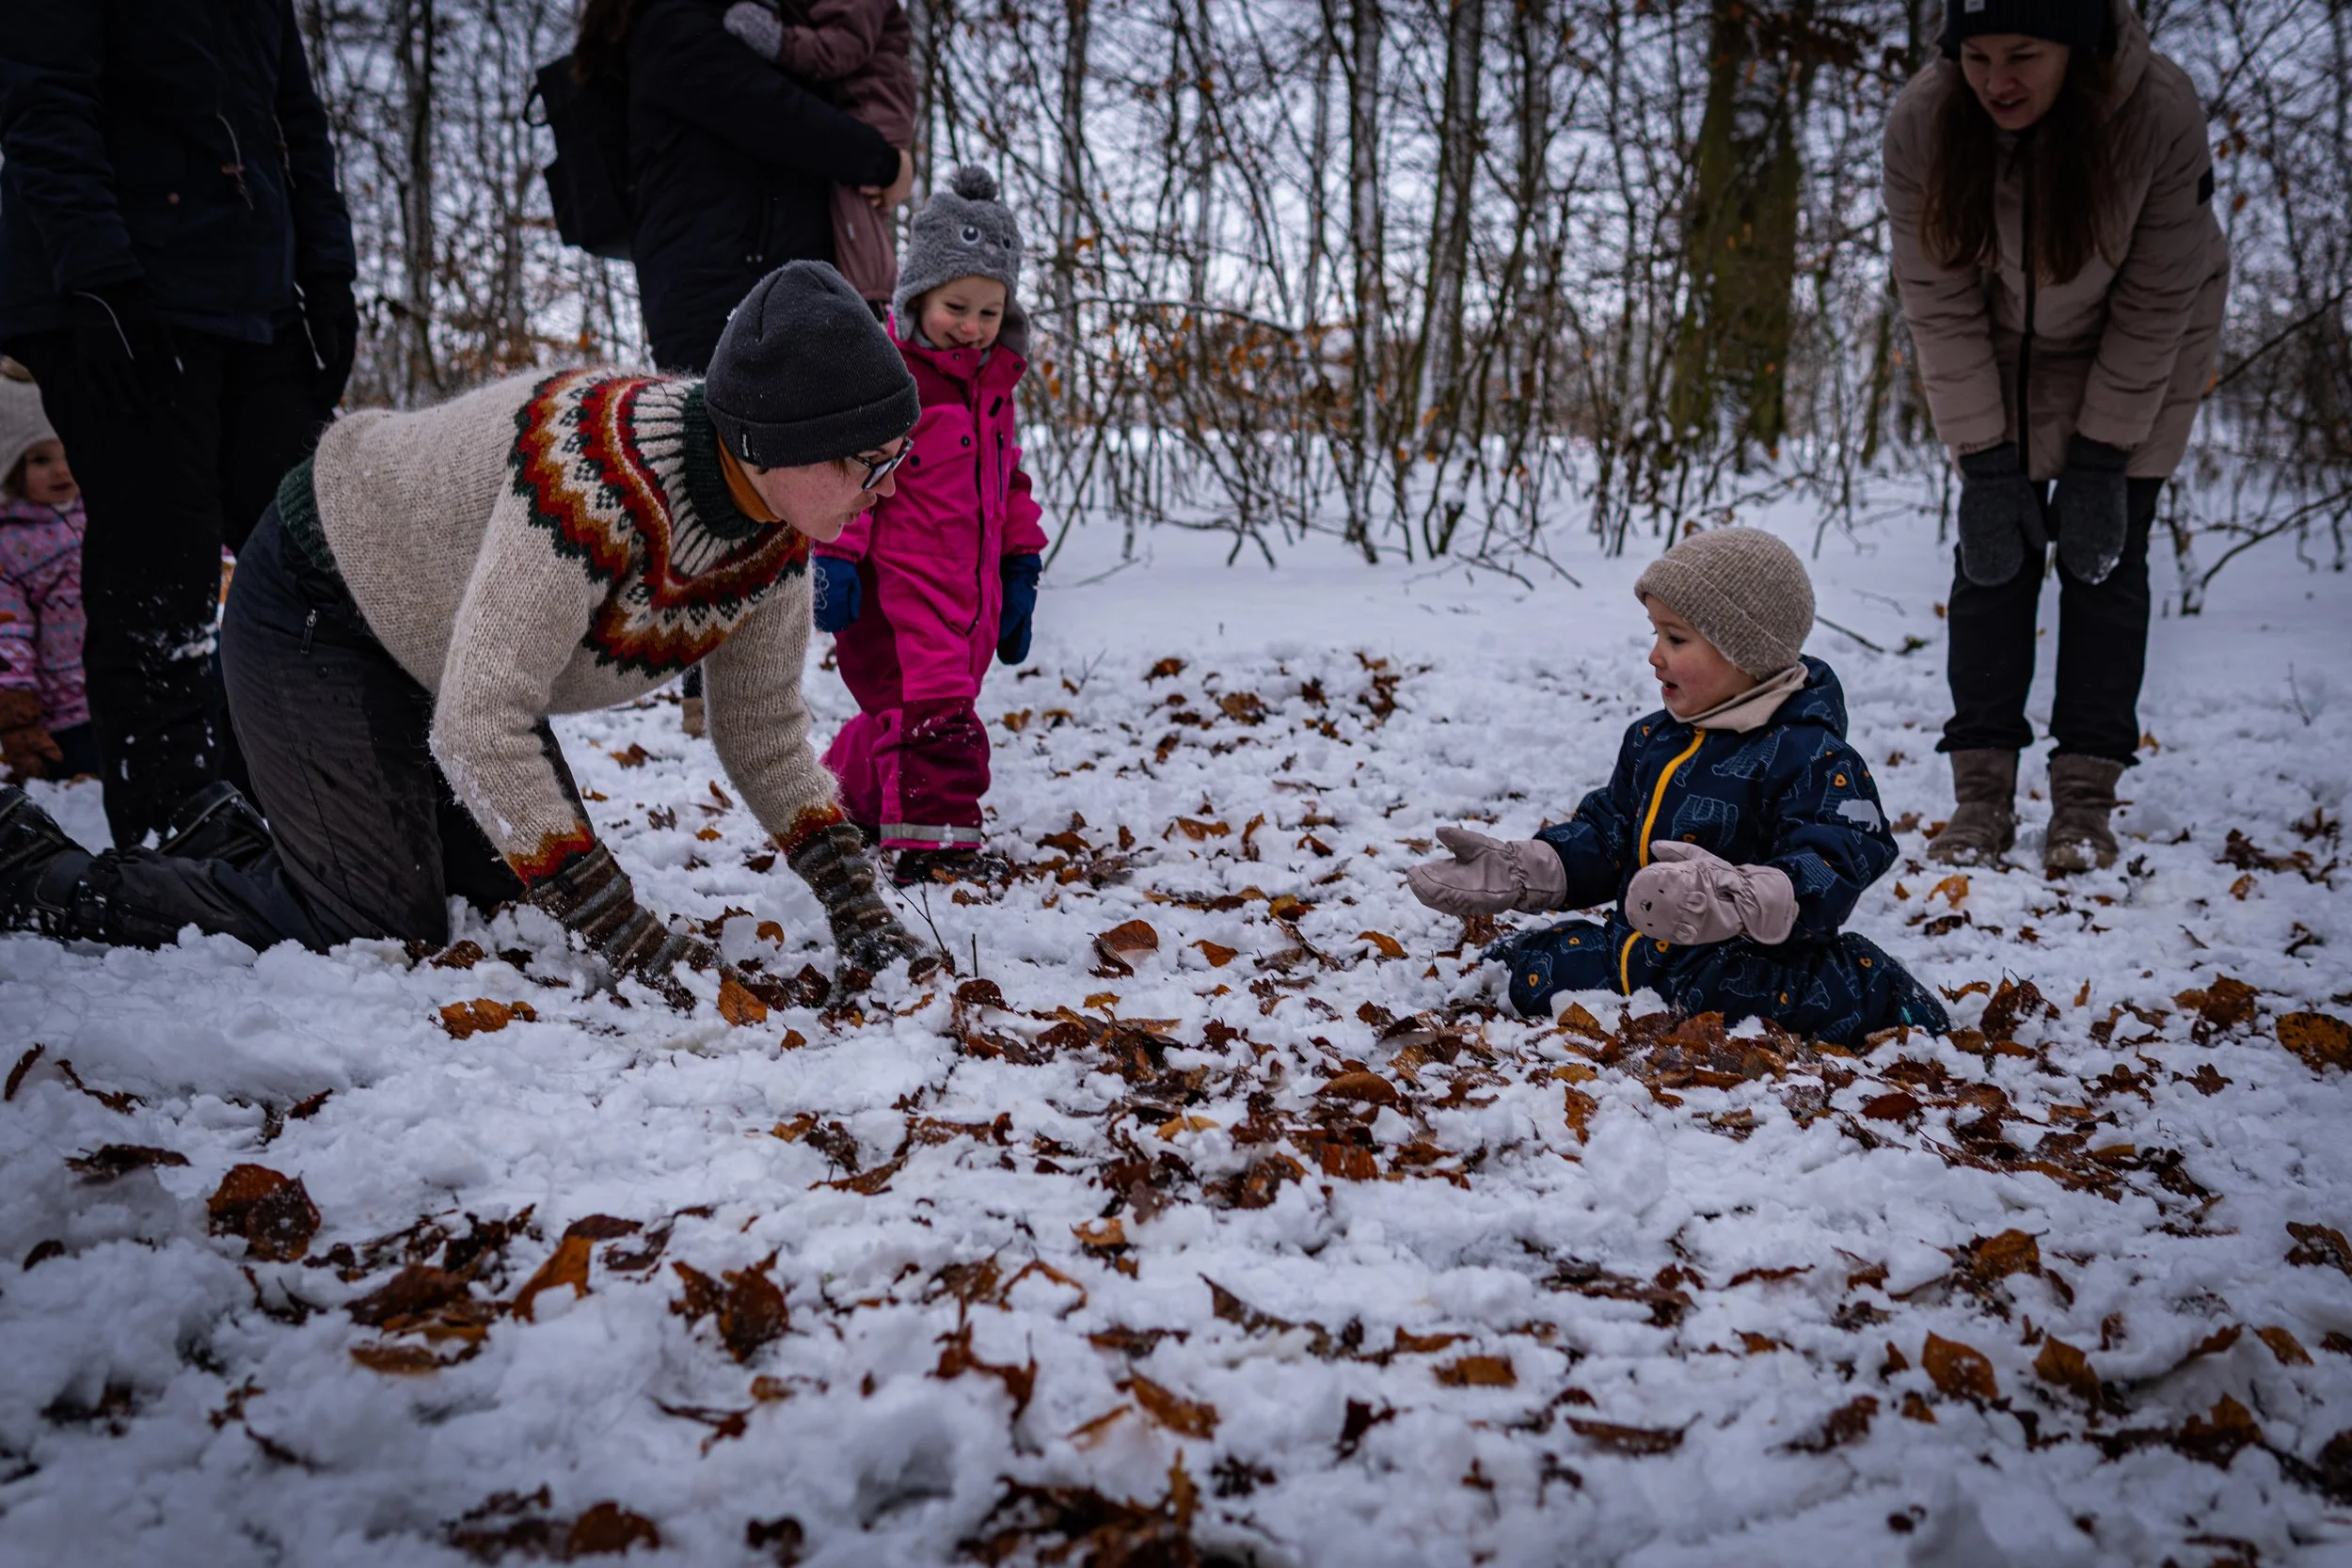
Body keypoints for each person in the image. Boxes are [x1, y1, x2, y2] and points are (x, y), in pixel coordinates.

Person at [0, 263, 936, 1001]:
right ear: (768, 441)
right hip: (324, 602)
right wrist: (636, 939)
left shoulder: (774, 531)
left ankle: (233, 830)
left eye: (899, 453)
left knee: (513, 896)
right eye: (868, 459)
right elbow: (482, 727)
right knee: (374, 920)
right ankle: (43, 876)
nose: (888, 483)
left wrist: (858, 909)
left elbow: (764, 734)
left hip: (444, 631)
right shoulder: (594, 479)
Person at [0, 0, 358, 849]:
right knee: (160, 566)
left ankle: (303, 796)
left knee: (309, 548)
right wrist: (97, 274)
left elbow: (296, 124)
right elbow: (46, 101)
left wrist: (329, 276)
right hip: (117, 290)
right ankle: (175, 830)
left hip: (254, 294)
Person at [1883, 0, 2228, 874]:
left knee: (2104, 561)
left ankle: (2083, 800)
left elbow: (2157, 304)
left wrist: (2105, 458)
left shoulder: (2158, 113)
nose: (1998, 81)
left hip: (2147, 342)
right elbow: (1937, 301)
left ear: (2076, 45)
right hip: (1992, 349)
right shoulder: (1925, 119)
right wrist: (1990, 466)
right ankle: (1981, 796)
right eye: (1979, 55)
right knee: (1991, 562)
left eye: (2025, 55)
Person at [1406, 529, 1947, 1048]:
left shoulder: (1811, 757)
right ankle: (1603, 976)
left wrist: (1735, 896)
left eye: (1677, 638)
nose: (1655, 655)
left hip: (1748, 961)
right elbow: (1609, 833)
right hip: (1643, 947)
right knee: (1535, 970)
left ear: (1747, 653)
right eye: (1655, 633)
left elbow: (1839, 856)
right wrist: (1527, 867)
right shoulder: (1651, 740)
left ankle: (1873, 987)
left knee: (1746, 999)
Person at [813, 168, 1046, 886]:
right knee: (938, 722)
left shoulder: (994, 389)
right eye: (956, 306)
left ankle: (847, 790)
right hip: (901, 598)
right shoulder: (893, 382)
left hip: (969, 601)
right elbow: (853, 473)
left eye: (988, 310)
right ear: (918, 296)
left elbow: (1009, 483)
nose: (970, 326)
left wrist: (1021, 565)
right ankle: (935, 849)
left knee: (910, 713)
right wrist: (837, 557)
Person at [723, 0, 918, 313]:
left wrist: (780, 42)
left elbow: (840, 50)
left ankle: (871, 299)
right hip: (856, 102)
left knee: (855, 208)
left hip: (876, 106)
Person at [0, 362, 95, 784]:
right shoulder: (10, 546)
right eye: (40, 459)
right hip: (65, 717)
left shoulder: (100, 514)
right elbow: (8, 635)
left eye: (67, 454)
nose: (61, 470)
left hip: (121, 692)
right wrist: (18, 715)